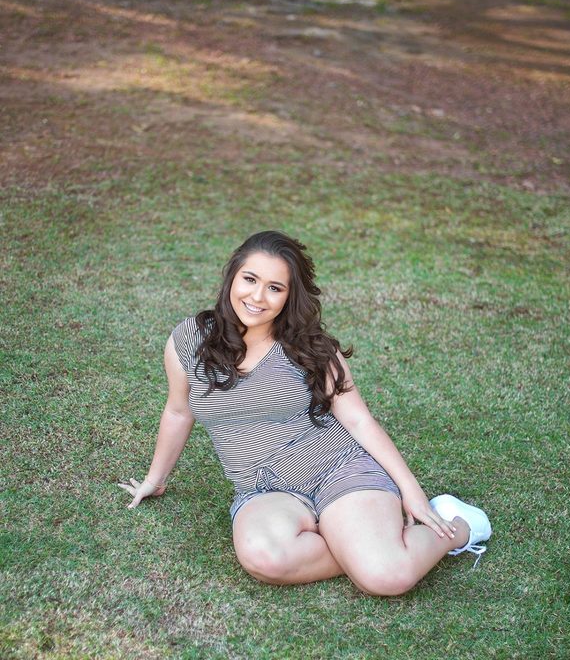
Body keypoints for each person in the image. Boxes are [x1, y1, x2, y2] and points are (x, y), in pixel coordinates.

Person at [119, 230, 491, 596]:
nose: (257, 297)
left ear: (289, 296)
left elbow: (358, 420)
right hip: (264, 490)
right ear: (232, 276)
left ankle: (457, 526)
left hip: (338, 469)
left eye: (274, 288)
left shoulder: (310, 348)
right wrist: (155, 479)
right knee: (265, 559)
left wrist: (413, 493)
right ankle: (360, 542)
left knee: (385, 577)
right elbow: (178, 412)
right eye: (250, 279)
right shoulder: (189, 341)